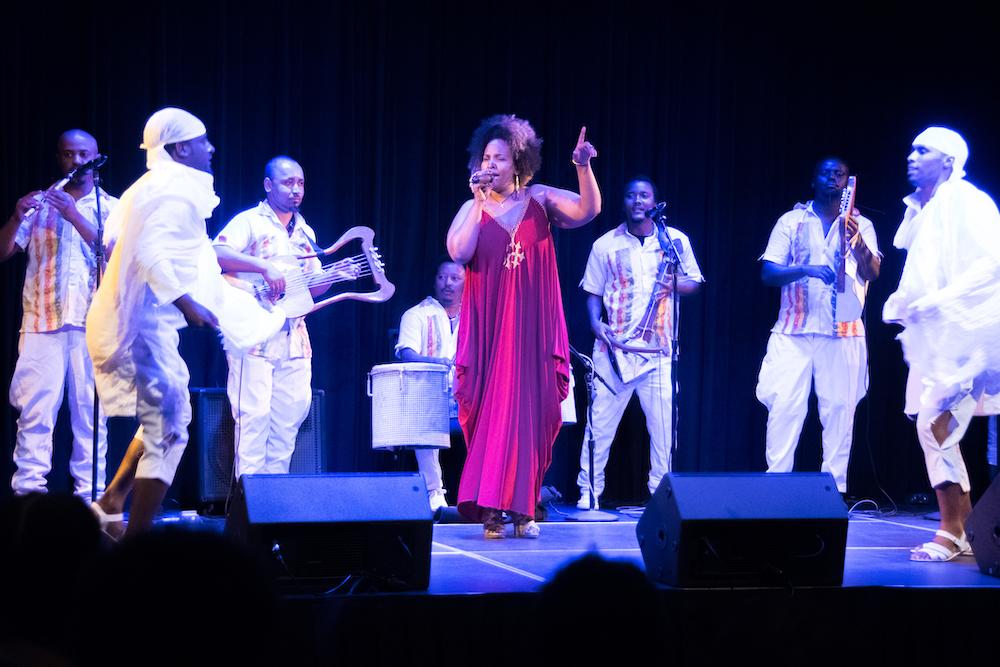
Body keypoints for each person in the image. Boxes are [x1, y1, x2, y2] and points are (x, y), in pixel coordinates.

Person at [86, 108, 284, 537]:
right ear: (180, 148)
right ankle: (136, 541)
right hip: (140, 325)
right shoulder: (173, 191)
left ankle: (110, 501)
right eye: (202, 141)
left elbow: (121, 243)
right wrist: (188, 303)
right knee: (171, 427)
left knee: (163, 417)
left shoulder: (149, 187)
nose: (211, 149)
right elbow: (149, 253)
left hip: (137, 319)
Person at [447, 115, 601, 538]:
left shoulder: (540, 199)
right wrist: (478, 202)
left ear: (518, 162)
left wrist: (583, 167)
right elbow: (459, 253)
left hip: (531, 329)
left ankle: (524, 510)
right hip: (490, 331)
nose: (492, 164)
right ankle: (492, 510)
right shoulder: (472, 208)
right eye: (486, 157)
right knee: (488, 412)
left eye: (500, 157)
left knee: (528, 415)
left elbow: (588, 210)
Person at [883, 127, 1000, 561]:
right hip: (944, 338)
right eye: (911, 147)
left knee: (935, 424)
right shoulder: (928, 207)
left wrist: (936, 301)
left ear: (948, 160)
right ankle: (965, 528)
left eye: (923, 149)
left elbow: (992, 261)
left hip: (971, 337)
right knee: (934, 426)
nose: (911, 155)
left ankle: (955, 530)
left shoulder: (966, 200)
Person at [576, 177, 704, 509]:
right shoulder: (605, 245)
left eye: (644, 195)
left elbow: (694, 283)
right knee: (599, 425)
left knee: (664, 431)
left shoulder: (674, 242)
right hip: (614, 349)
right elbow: (593, 290)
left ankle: (662, 497)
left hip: (659, 350)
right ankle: (589, 492)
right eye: (631, 195)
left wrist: (671, 283)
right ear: (623, 202)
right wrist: (594, 323)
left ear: (654, 202)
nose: (637, 200)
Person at [0, 130, 115, 499]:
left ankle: (90, 498)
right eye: (68, 155)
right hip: (40, 324)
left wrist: (75, 215)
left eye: (84, 154)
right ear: (60, 158)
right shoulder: (39, 204)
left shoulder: (112, 208)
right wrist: (17, 217)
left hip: (93, 327)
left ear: (96, 159)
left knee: (91, 417)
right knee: (34, 414)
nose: (76, 162)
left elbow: (116, 257)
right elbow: (4, 251)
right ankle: (29, 497)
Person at [755, 157, 880, 495]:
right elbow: (768, 273)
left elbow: (872, 273)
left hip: (844, 332)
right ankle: (775, 488)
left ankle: (833, 491)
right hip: (793, 330)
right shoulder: (791, 221)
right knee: (784, 408)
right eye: (826, 173)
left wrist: (857, 241)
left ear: (847, 183)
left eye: (839, 174)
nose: (833, 179)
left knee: (840, 411)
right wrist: (807, 269)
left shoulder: (860, 224)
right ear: (814, 179)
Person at [213, 156, 324, 478]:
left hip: (294, 340)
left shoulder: (305, 232)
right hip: (254, 338)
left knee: (287, 423)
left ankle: (273, 509)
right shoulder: (249, 221)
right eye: (288, 183)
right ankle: (248, 514)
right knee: (253, 420)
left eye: (301, 183)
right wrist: (263, 266)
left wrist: (337, 275)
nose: (296, 190)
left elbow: (311, 289)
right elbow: (216, 254)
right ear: (268, 185)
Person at [394, 259, 466, 512]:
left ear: (466, 283)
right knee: (423, 417)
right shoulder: (417, 314)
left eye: (455, 278)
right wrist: (439, 363)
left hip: (467, 398)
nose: (448, 284)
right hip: (429, 395)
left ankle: (485, 494)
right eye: (442, 278)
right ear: (434, 281)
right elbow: (406, 353)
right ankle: (434, 493)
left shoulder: (477, 316)